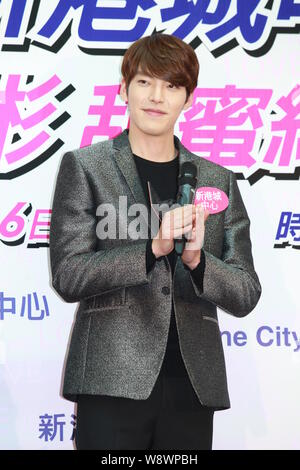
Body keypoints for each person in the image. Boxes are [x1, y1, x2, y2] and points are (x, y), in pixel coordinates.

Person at [49, 33, 262, 450]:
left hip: (192, 384)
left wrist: (199, 260)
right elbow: (69, 275)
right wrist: (152, 249)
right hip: (109, 377)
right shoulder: (86, 167)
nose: (156, 96)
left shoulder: (218, 180)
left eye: (172, 85)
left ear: (188, 98)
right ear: (124, 88)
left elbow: (246, 292)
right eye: (145, 82)